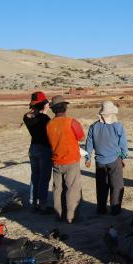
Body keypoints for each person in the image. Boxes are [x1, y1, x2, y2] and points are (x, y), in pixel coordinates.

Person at [46, 95, 85, 224]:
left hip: (56, 160)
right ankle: (71, 217)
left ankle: (58, 214)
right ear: (65, 107)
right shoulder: (71, 122)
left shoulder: (49, 124)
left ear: (53, 109)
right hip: (71, 160)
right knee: (72, 189)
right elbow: (81, 137)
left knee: (58, 189)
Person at [85, 101, 128, 216]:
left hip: (99, 162)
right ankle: (115, 209)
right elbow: (123, 144)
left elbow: (89, 145)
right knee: (117, 185)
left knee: (101, 186)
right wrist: (124, 157)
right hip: (115, 160)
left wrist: (87, 158)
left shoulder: (93, 127)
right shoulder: (118, 126)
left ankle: (101, 209)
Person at [23, 91, 52, 212]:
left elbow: (33, 115)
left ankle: (33, 203)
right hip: (44, 149)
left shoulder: (26, 117)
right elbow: (44, 123)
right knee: (44, 178)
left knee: (35, 176)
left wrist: (41, 108)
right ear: (43, 104)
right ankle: (42, 205)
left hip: (33, 148)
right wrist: (44, 110)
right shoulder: (45, 118)